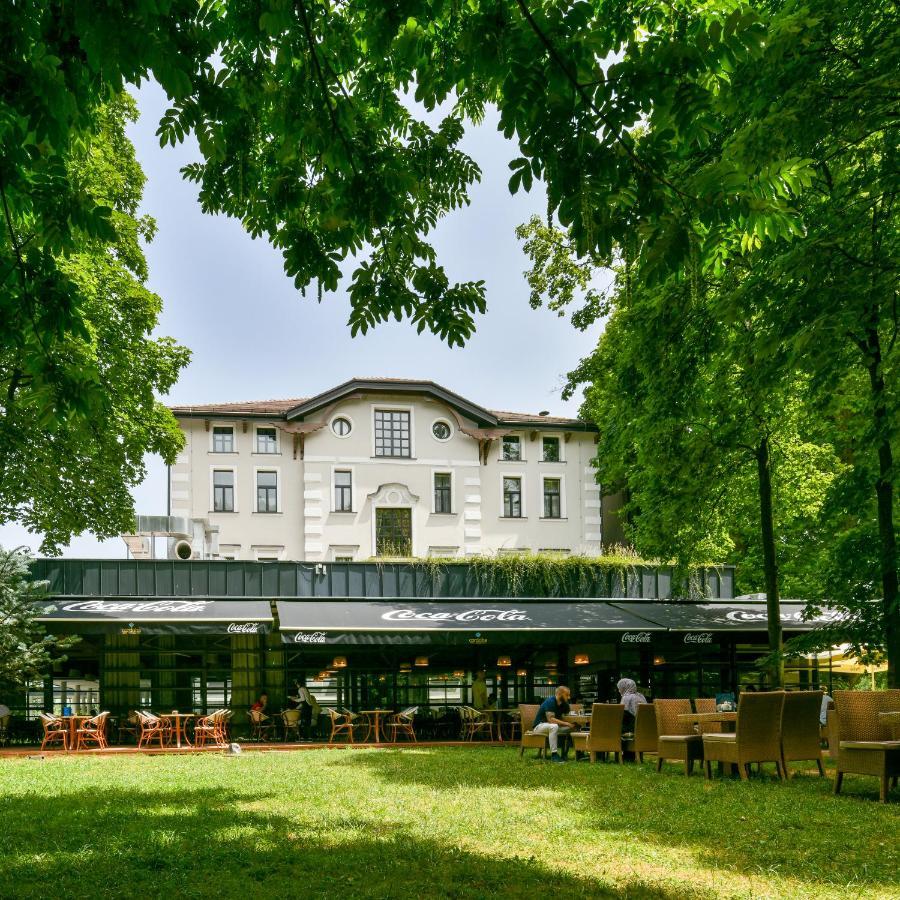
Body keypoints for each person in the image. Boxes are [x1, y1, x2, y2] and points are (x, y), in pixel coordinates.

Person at [532, 686, 573, 762]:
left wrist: (570, 724)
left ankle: (567, 754)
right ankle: (554, 755)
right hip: (539, 726)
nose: (569, 697)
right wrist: (566, 723)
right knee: (553, 726)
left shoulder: (562, 704)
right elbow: (550, 719)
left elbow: (566, 715)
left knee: (572, 728)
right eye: (567, 695)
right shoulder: (550, 701)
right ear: (560, 694)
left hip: (552, 726)